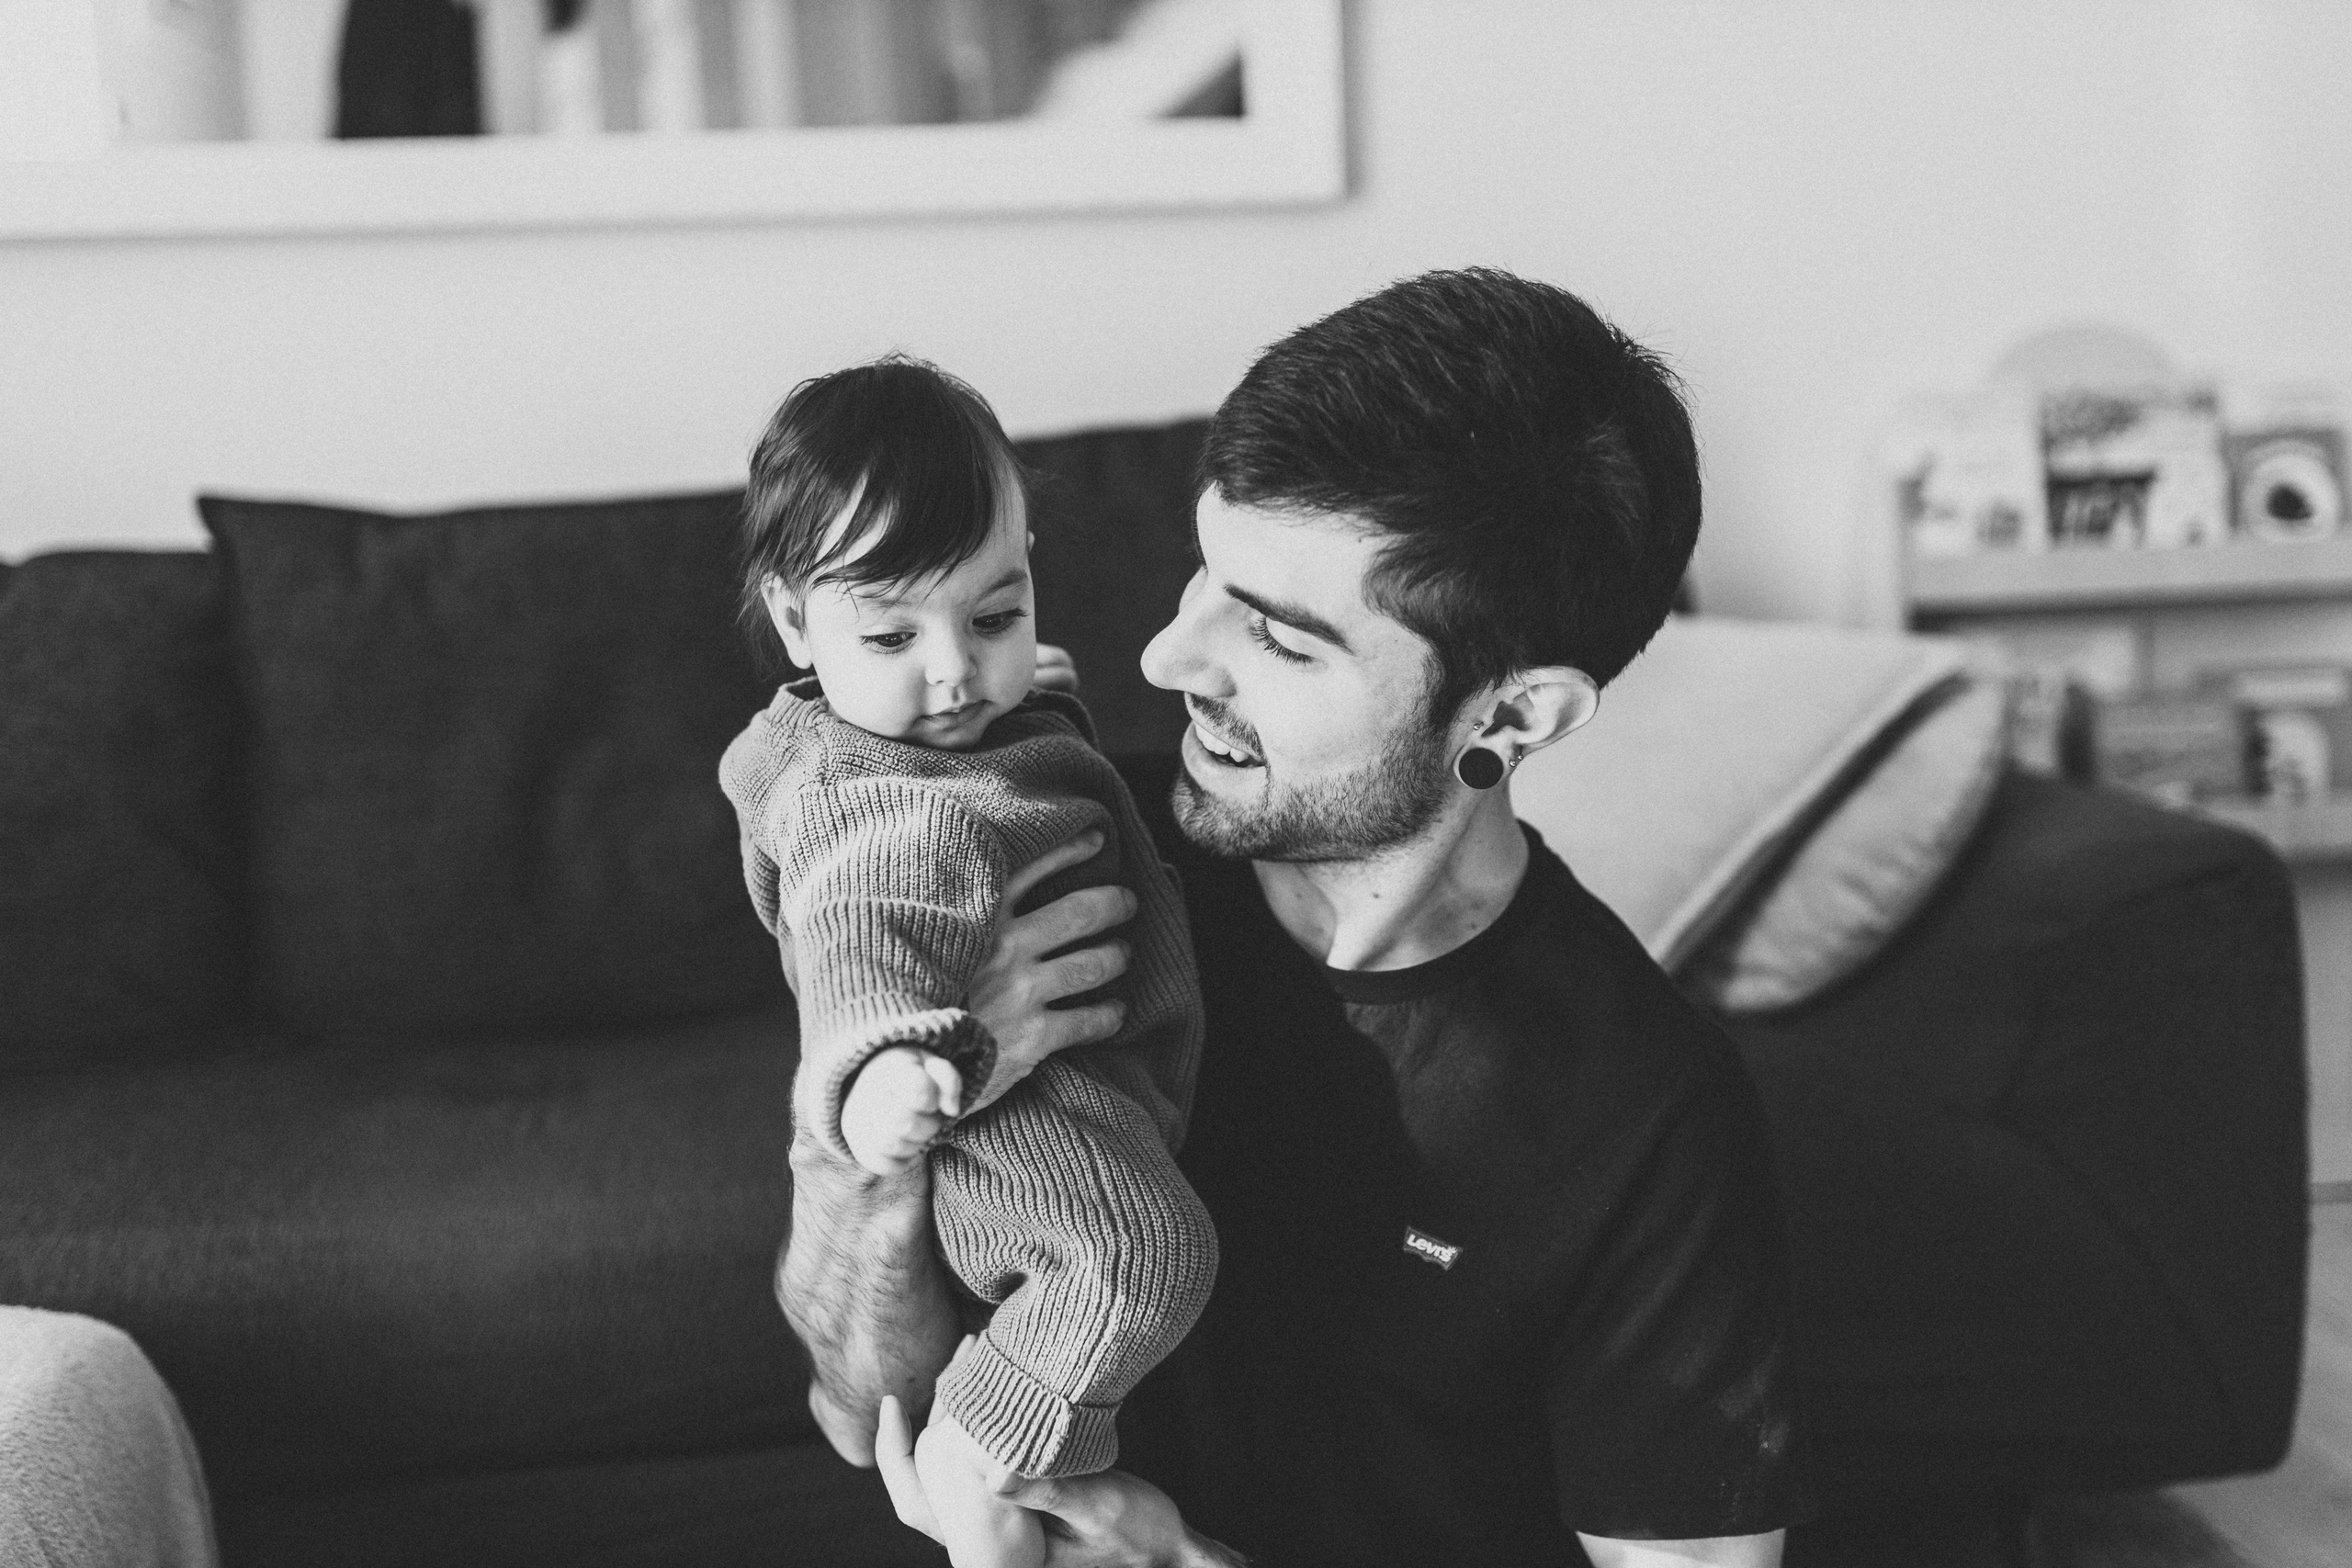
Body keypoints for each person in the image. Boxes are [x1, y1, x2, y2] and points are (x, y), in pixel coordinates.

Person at [783, 271, 1805, 1567]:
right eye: (1206, 575)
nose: (1167, 657)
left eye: (1279, 638)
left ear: (1511, 715)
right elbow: (857, 1410)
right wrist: (882, 1139)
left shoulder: (1644, 1116)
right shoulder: (1051, 862)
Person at [718, 357, 1218, 1568]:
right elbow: (859, 925)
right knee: (1139, 1261)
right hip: (1018, 1126)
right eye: (892, 634)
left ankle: (1008, 1496)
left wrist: (1042, 696)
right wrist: (882, 1074)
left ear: (1031, 565)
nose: (953, 672)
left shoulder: (985, 723)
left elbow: (1021, 737)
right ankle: (979, 1458)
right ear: (794, 622)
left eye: (995, 615)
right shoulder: (876, 801)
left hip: (1087, 1101)